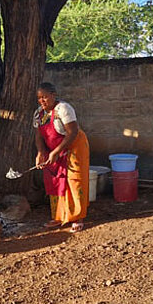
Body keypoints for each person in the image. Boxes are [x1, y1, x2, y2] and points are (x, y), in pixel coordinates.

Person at [33, 82, 90, 232]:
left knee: (74, 180)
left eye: (45, 97)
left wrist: (57, 151)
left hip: (74, 147)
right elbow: (38, 136)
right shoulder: (39, 113)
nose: (42, 101)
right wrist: (40, 152)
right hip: (54, 150)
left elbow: (73, 133)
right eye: (39, 98)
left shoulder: (64, 109)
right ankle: (59, 216)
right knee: (54, 180)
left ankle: (77, 217)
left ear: (53, 95)